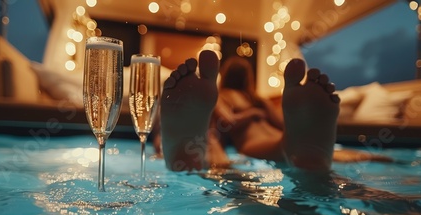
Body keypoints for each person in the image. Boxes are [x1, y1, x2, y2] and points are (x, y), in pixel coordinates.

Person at [159, 50, 389, 172]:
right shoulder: (244, 97)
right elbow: (277, 123)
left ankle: (300, 149)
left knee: (288, 146)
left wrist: (261, 110)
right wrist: (257, 113)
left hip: (263, 138)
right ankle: (302, 150)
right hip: (271, 136)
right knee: (289, 145)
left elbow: (230, 124)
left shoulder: (236, 96)